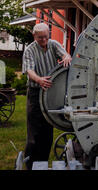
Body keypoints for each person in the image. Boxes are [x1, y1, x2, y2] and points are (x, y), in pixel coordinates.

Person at [22, 23, 72, 170]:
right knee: (33, 135)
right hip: (35, 92)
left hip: (50, 94)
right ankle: (30, 165)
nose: (43, 40)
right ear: (34, 36)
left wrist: (66, 57)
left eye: (45, 37)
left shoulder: (53, 44)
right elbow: (29, 71)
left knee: (47, 132)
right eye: (40, 38)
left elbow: (65, 54)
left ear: (48, 34)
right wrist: (39, 80)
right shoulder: (29, 50)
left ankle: (42, 164)